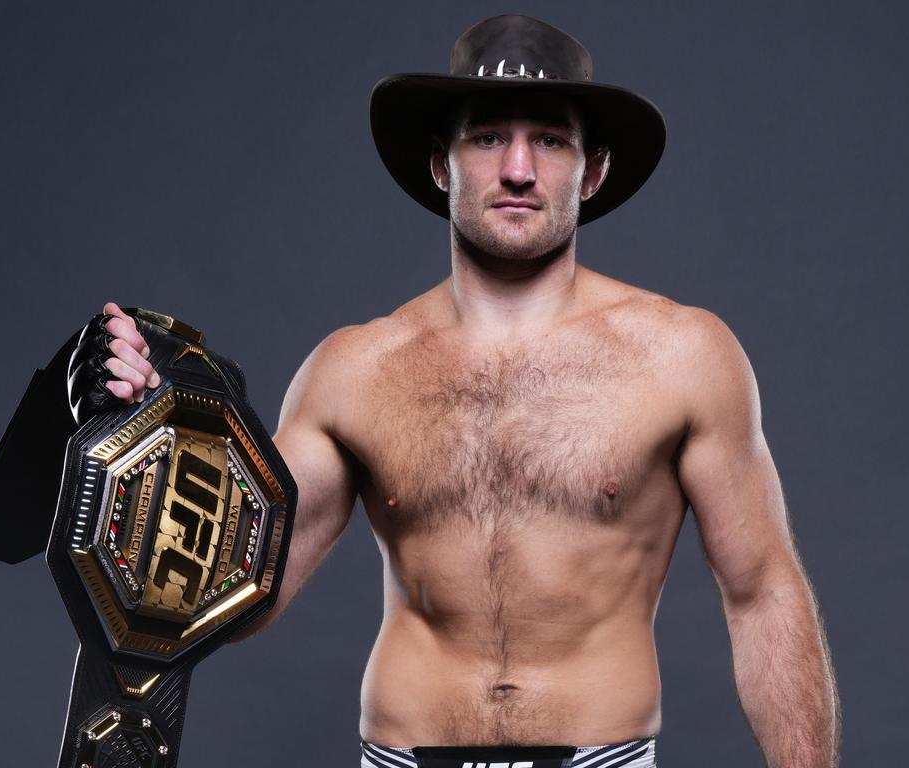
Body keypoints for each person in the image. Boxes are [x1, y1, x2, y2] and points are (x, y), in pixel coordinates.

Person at [78, 14, 840, 768]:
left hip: (599, 756)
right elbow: (235, 596)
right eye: (486, 137)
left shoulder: (683, 355)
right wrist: (151, 435)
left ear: (593, 169)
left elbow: (763, 593)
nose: (517, 168)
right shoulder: (354, 369)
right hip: (403, 755)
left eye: (549, 139)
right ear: (441, 163)